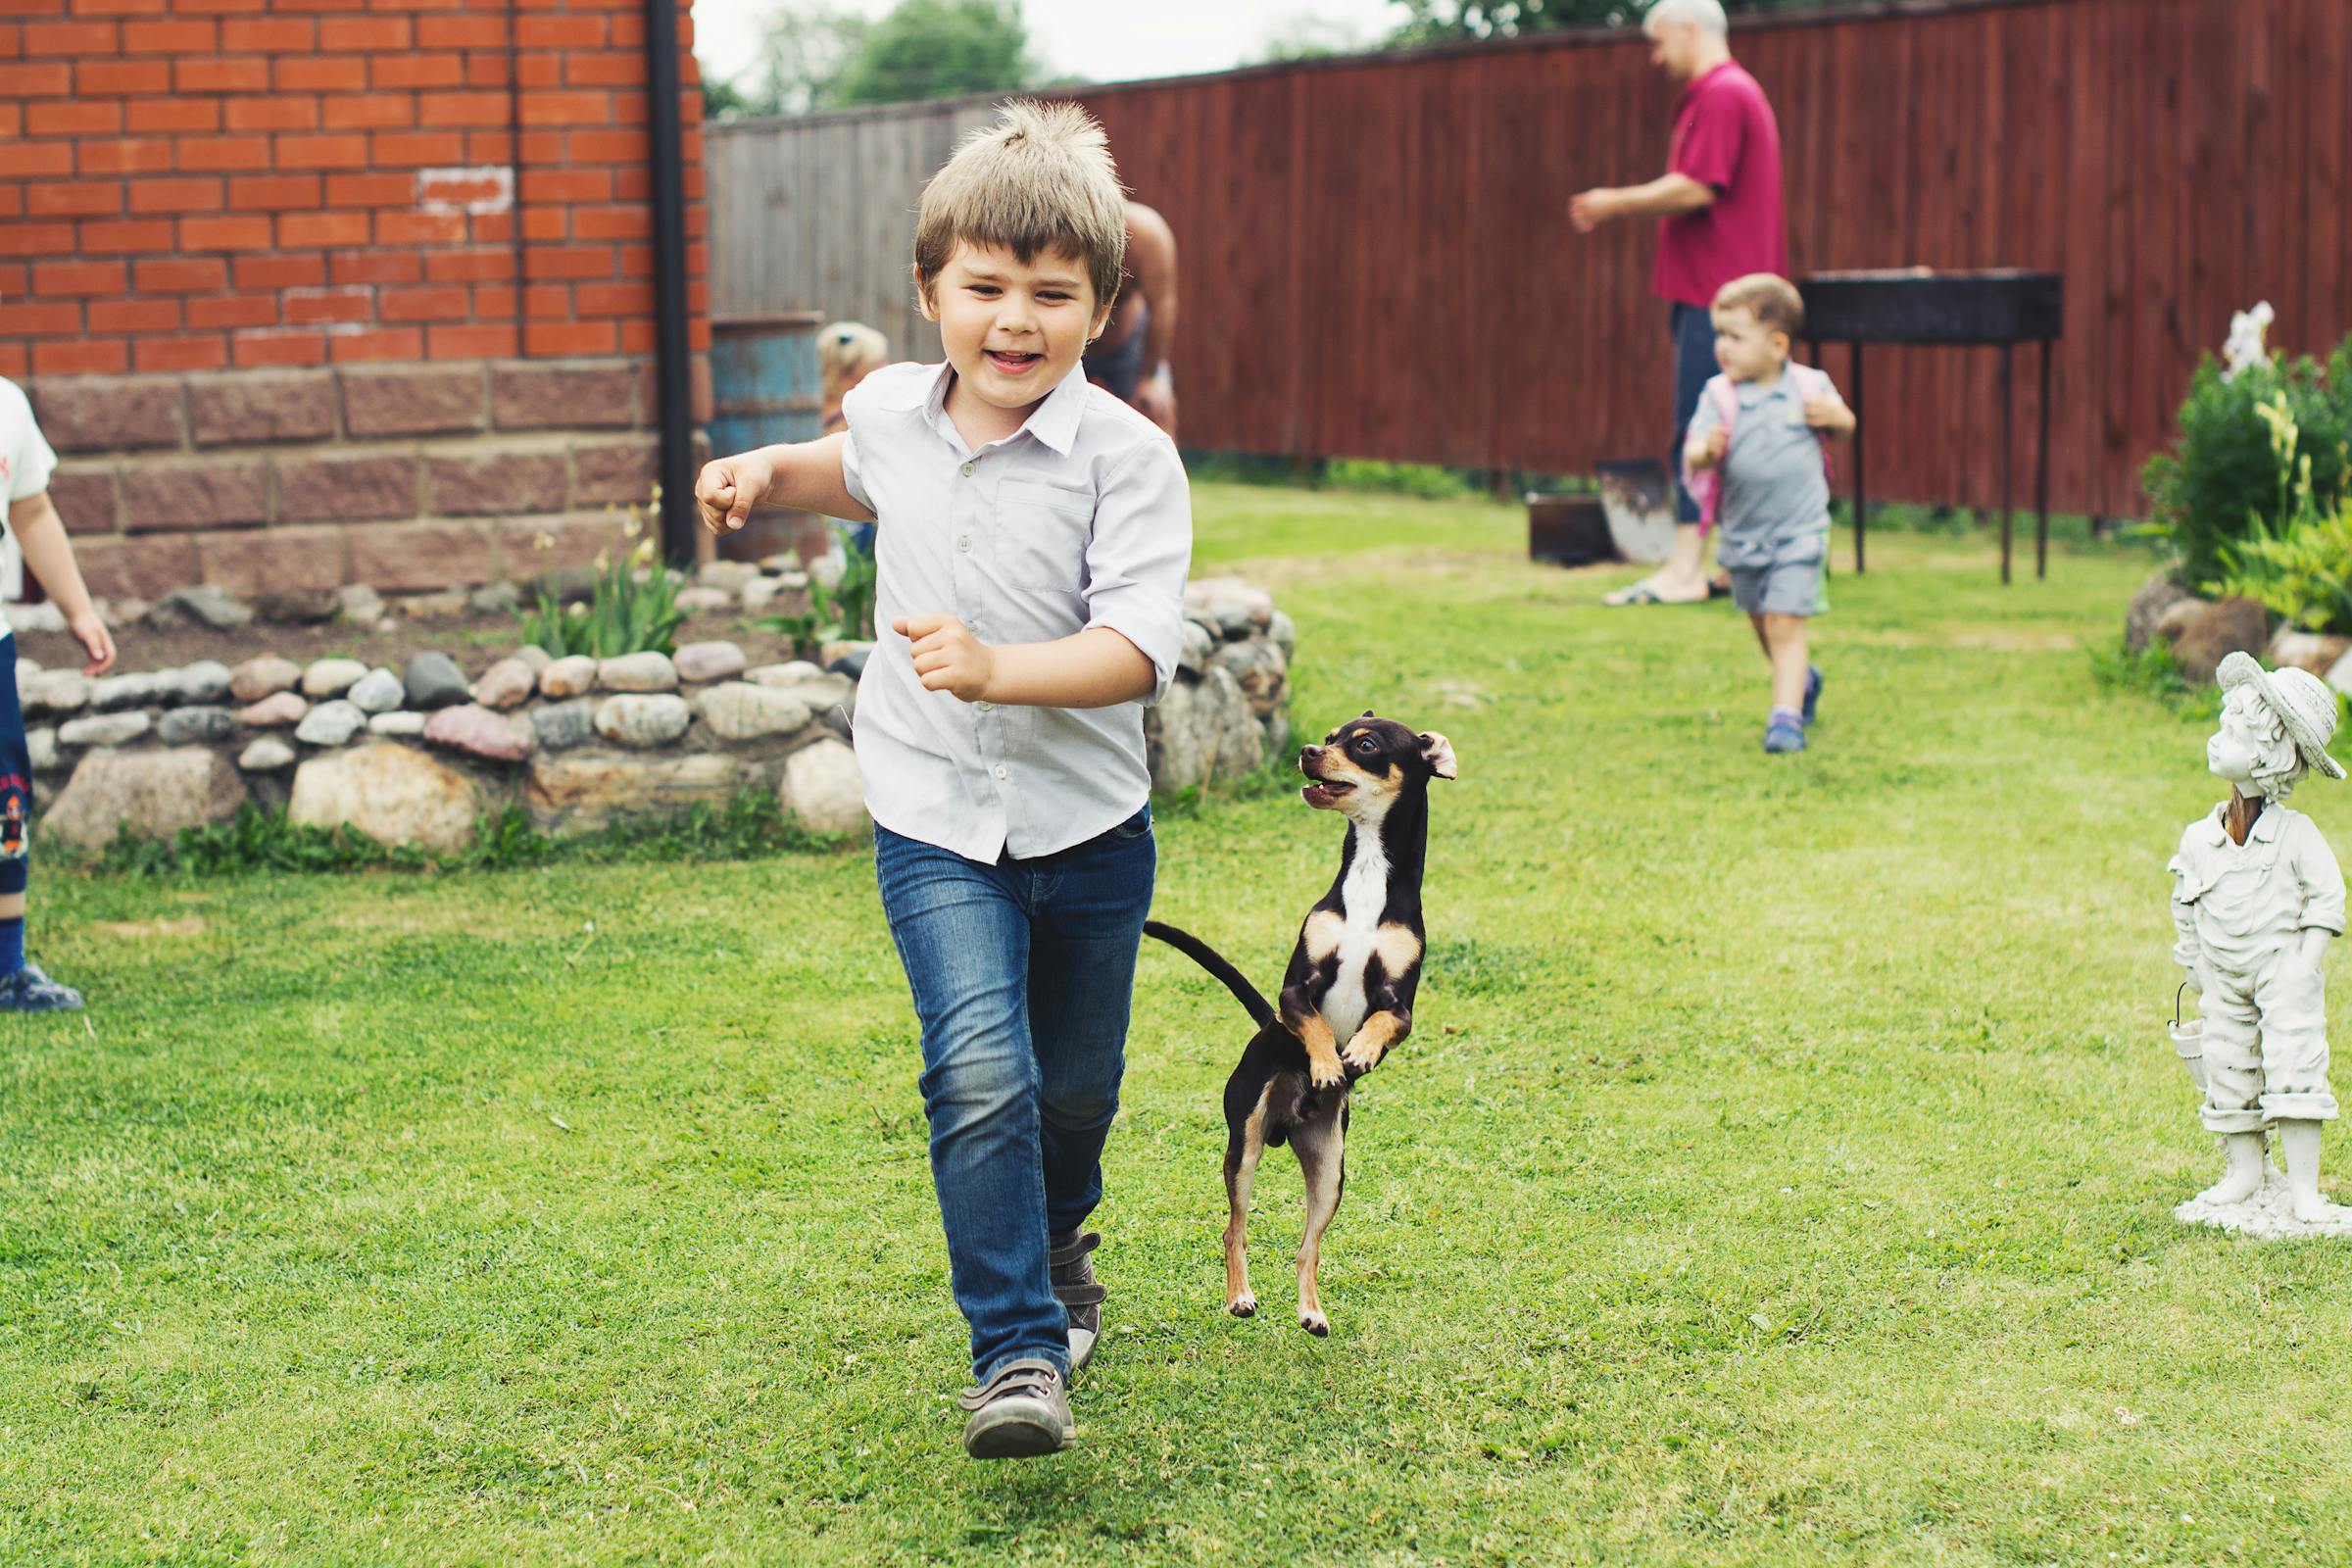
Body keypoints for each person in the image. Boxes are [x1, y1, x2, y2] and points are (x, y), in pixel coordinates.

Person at [694, 101, 1190, 1460]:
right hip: (931, 817)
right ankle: (1017, 1354)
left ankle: (1061, 1236)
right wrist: (761, 473)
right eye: (984, 288)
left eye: (1051, 293)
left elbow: (1138, 651)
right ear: (929, 293)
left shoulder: (1128, 461)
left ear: (1102, 306)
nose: (1014, 321)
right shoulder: (891, 413)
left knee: (1075, 1090)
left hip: (1088, 829)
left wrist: (997, 667)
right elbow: (857, 476)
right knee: (981, 1073)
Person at [1570, 0, 1788, 607]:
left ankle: (1687, 567)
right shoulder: (1727, 92)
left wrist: (1613, 202)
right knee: (1732, 430)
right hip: (1724, 294)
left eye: (1661, 42)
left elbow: (1696, 186)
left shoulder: (1722, 93)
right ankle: (1725, 563)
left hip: (1719, 297)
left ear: (1693, 28)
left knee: (1701, 427)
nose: (1656, 56)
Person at [2173, 654, 2347, 1226]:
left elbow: (2327, 896)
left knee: (2295, 1058)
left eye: (2231, 732)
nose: (2215, 739)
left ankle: (2303, 1190)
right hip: (2222, 974)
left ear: (2270, 755)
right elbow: (2185, 901)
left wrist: (2305, 960)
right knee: (2227, 1063)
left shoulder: (2295, 835)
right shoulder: (2201, 837)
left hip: (2282, 969)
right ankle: (2244, 1172)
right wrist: (2194, 961)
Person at [1681, 273, 1851, 754]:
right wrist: (1703, 452)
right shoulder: (1720, 396)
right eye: (1719, 335)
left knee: (1784, 622)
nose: (1722, 347)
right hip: (1742, 536)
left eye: (1735, 336)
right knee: (1761, 621)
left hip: (1800, 531)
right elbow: (1693, 449)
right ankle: (1802, 681)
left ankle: (1785, 720)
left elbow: (1846, 425)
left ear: (1778, 344)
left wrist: (1835, 418)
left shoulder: (1809, 386)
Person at [0, 374, 118, 1011]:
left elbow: (32, 511)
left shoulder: (7, 406)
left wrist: (78, 609)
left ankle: (7, 966)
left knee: (5, 800)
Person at [1082, 201, 1178, 436]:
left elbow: (1163, 305)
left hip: (1127, 345)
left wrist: (1150, 377)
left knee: (1157, 408)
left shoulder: (1147, 234)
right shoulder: (1062, 227)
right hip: (1069, 343)